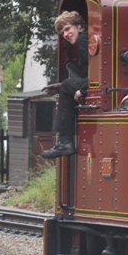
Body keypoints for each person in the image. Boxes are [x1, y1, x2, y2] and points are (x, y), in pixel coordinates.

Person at [41, 11, 88, 158]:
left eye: (67, 29)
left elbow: (99, 70)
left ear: (79, 26)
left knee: (67, 85)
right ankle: (64, 141)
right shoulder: (83, 40)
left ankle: (65, 142)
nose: (66, 34)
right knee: (66, 85)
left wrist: (83, 89)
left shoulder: (83, 40)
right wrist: (61, 87)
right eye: (62, 33)